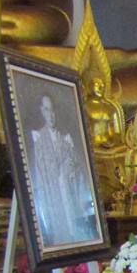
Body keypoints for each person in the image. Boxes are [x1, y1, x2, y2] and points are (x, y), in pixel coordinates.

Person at [29, 95, 98, 247]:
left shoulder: (65, 139)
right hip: (53, 198)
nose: (51, 115)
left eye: (53, 110)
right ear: (42, 111)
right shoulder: (39, 138)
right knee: (60, 234)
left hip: (69, 194)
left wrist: (71, 171)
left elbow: (78, 171)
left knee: (77, 231)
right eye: (47, 110)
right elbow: (39, 177)